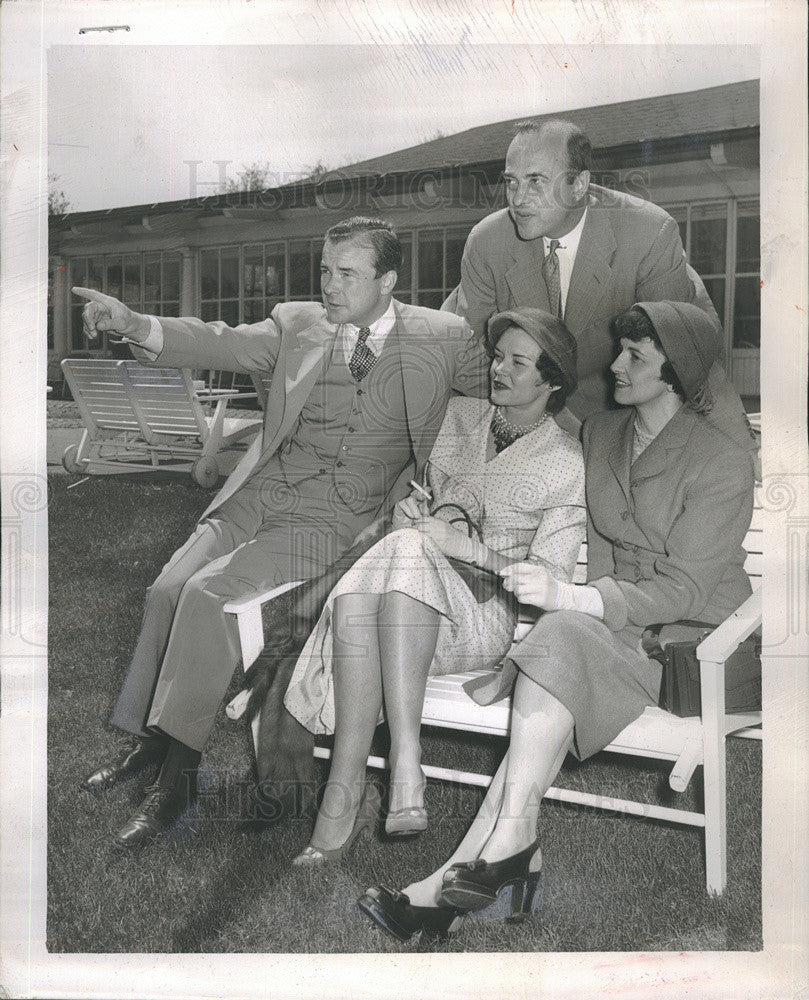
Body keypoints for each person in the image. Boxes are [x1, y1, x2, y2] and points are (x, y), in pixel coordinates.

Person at [74, 216, 491, 850]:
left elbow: (522, 380)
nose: (329, 285)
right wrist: (136, 325)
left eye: (347, 273)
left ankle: (178, 779)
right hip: (263, 492)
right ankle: (150, 742)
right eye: (325, 269)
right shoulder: (299, 325)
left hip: (336, 516)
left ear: (389, 280)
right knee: (167, 588)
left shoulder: (442, 337)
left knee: (209, 597)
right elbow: (216, 340)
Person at [358, 300, 755, 942]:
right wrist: (453, 510)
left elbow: (686, 587)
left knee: (561, 633)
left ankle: (478, 866)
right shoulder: (602, 434)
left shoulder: (721, 460)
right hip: (606, 635)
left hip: (694, 648)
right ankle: (513, 846)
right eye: (620, 348)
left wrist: (576, 599)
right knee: (559, 637)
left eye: (635, 355)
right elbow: (513, 448)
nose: (616, 364)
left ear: (677, 370)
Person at [280, 308, 585, 863]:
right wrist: (414, 512)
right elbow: (429, 498)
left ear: (552, 381)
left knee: (394, 568)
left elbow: (552, 579)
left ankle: (360, 788)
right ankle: (397, 771)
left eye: (518, 363)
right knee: (402, 552)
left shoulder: (565, 460)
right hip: (408, 598)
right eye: (497, 356)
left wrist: (465, 548)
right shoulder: (461, 418)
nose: (499, 369)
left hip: (483, 614)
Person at [443, 117, 756, 454]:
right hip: (525, 414)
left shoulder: (648, 232)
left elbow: (680, 362)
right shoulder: (487, 241)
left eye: (536, 181)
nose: (518, 199)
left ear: (579, 185)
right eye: (511, 182)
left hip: (624, 416)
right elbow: (468, 358)